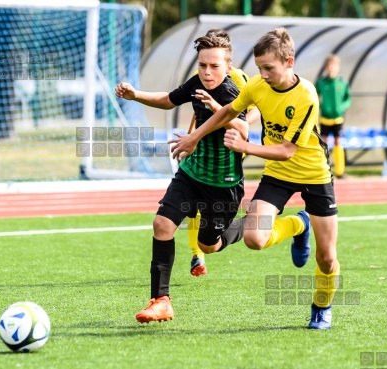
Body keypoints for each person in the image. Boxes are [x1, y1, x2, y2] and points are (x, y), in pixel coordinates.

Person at [170, 27, 341, 329]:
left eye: (269, 68)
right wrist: (193, 137)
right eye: (259, 67)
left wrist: (245, 146)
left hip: (314, 175)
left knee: (327, 257)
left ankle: (321, 306)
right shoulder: (257, 86)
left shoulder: (306, 95)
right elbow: (226, 113)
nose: (261, 74)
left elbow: (288, 150)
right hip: (276, 176)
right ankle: (299, 224)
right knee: (254, 238)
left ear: (290, 62)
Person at [115, 35, 248, 323]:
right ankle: (160, 301)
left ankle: (250, 223)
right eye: (202, 65)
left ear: (228, 66)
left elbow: (244, 128)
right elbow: (168, 100)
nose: (207, 72)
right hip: (191, 174)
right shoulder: (196, 82)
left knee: (209, 245)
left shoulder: (232, 92)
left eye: (214, 66)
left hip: (223, 186)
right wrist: (135, 95)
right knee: (162, 224)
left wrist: (214, 108)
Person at [186, 28, 261, 278]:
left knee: (208, 199)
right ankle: (197, 253)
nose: (208, 68)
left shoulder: (237, 79)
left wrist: (240, 127)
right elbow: (199, 112)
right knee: (193, 202)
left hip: (228, 146)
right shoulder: (203, 75)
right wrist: (191, 138)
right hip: (204, 145)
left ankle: (208, 243)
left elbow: (256, 109)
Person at [315, 54, 351, 179]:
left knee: (338, 142)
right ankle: (323, 170)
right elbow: (314, 97)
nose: (331, 69)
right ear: (326, 67)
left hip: (338, 118)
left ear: (338, 68)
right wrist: (321, 106)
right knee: (324, 143)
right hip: (325, 118)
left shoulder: (342, 83)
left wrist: (342, 107)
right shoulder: (321, 83)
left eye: (334, 66)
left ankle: (340, 172)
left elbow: (348, 99)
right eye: (329, 66)